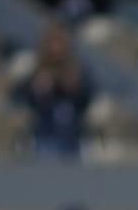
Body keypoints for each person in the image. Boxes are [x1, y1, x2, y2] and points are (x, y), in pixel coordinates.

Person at [21, 23, 95, 158]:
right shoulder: (37, 70)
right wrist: (38, 90)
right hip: (46, 136)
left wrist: (75, 89)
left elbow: (87, 99)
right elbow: (25, 99)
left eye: (59, 43)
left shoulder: (78, 70)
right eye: (52, 43)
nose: (56, 48)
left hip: (73, 136)